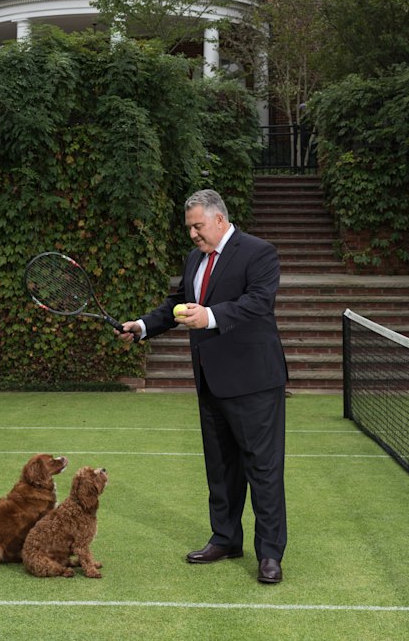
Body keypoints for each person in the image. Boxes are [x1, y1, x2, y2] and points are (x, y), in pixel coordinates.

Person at [118, 188, 288, 584]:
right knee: (221, 468)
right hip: (211, 382)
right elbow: (176, 303)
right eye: (189, 228)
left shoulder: (259, 253)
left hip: (254, 383)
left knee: (263, 470)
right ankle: (226, 539)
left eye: (197, 226)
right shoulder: (195, 258)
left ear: (219, 219)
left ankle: (270, 555)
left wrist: (210, 316)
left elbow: (259, 303)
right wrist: (142, 327)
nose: (193, 234)